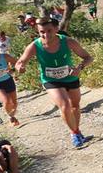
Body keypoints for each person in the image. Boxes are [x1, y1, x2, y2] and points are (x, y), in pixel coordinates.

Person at [15, 17, 94, 149]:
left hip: (70, 77)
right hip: (50, 80)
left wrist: (79, 68)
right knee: (65, 105)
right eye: (42, 32)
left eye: (49, 31)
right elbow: (20, 61)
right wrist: (20, 67)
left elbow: (88, 57)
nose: (46, 35)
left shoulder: (68, 42)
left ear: (56, 29)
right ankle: (74, 133)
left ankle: (77, 131)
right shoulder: (35, 46)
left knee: (75, 106)